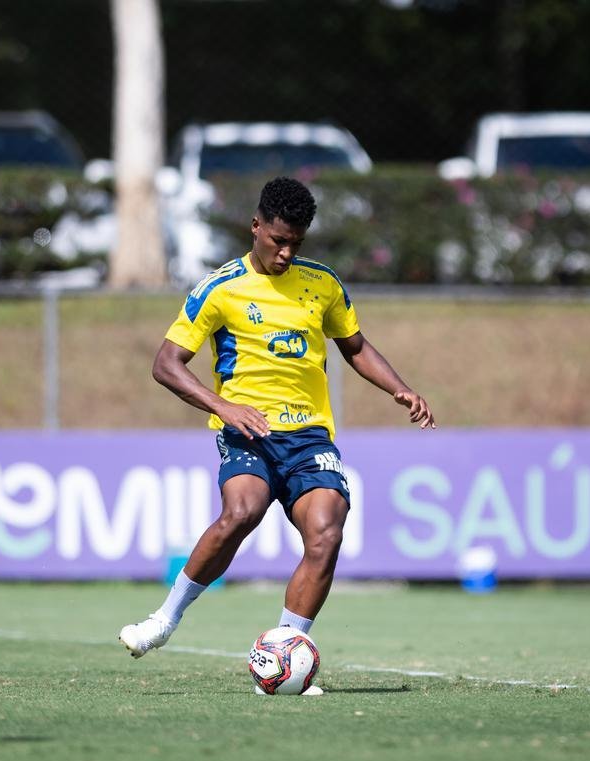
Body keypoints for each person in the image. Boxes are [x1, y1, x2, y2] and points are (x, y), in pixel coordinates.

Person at [118, 177, 435, 689]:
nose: (286, 253)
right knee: (242, 511)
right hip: (248, 432)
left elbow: (354, 346)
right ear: (256, 226)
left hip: (309, 437)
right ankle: (164, 619)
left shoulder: (323, 284)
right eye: (278, 241)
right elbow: (166, 364)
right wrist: (225, 406)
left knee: (327, 532)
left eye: (296, 243)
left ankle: (284, 651)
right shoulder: (219, 289)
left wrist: (400, 389)